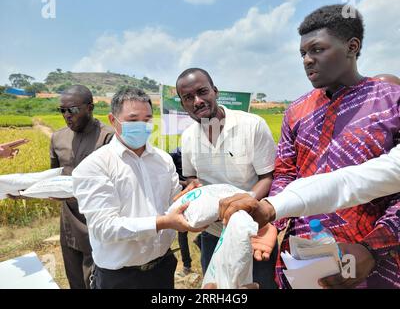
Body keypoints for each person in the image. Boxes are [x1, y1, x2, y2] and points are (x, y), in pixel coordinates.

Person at [220, 4, 400, 289]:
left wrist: (374, 246)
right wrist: (273, 224)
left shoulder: (391, 102)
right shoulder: (297, 110)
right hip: (303, 253)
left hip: (373, 260)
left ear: (352, 46)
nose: (307, 60)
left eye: (317, 49)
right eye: (303, 53)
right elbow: (284, 174)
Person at [72, 87, 202, 289]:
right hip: (120, 277)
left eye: (147, 119)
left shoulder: (163, 160)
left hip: (163, 268)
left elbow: (173, 202)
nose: (142, 125)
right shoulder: (95, 166)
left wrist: (190, 196)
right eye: (133, 120)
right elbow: (104, 228)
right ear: (113, 120)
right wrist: (164, 222)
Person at [177, 68, 278, 289]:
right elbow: (193, 179)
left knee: (258, 286)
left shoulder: (251, 125)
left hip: (255, 230)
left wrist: (244, 205)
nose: (197, 101)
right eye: (188, 98)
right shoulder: (187, 138)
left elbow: (267, 177)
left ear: (215, 91)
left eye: (202, 92)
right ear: (182, 104)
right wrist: (194, 190)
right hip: (213, 233)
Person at [51, 85, 114, 289]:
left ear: (90, 107)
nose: (67, 116)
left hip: (98, 221)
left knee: (96, 281)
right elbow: (53, 177)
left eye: (73, 110)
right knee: (75, 280)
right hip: (69, 220)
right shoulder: (58, 138)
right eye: (63, 110)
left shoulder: (108, 137)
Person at [169, 147, 193, 276]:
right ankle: (187, 266)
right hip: (182, 195)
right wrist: (187, 183)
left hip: (197, 193)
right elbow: (169, 176)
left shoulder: (196, 152)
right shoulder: (173, 154)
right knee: (182, 232)